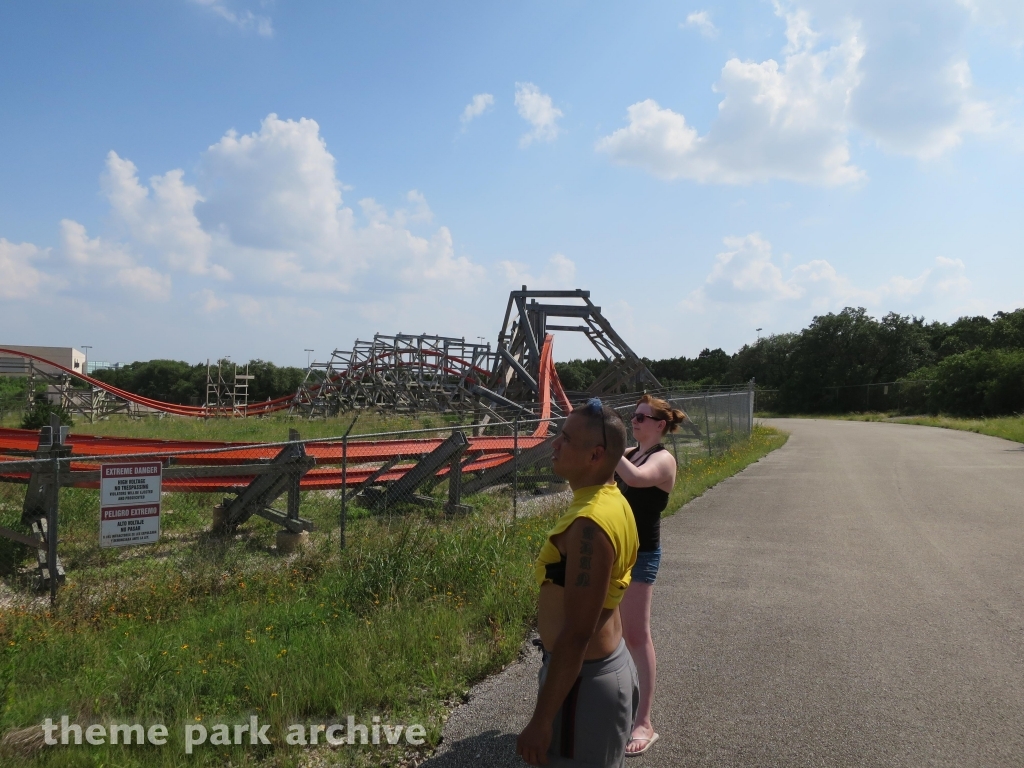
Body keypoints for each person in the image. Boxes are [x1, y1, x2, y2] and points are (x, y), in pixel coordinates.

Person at [517, 399, 640, 767]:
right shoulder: (611, 498)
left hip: (584, 682)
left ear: (595, 455)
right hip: (595, 672)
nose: (554, 444)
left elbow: (577, 632)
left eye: (566, 439)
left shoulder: (590, 525)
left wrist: (540, 720)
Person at [614, 394, 686, 757]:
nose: (635, 420)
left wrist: (608, 448)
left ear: (660, 425)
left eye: (642, 417)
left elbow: (638, 480)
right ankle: (616, 701)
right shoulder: (630, 452)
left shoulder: (662, 459)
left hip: (641, 555)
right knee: (613, 634)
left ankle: (645, 721)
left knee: (637, 635)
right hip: (615, 552)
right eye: (633, 416)